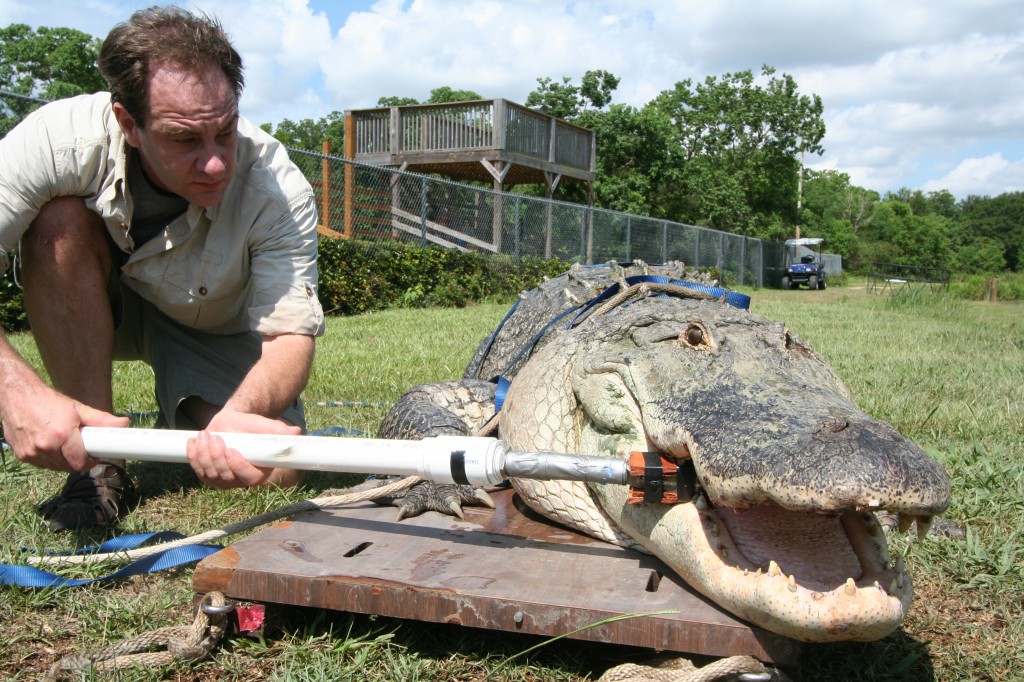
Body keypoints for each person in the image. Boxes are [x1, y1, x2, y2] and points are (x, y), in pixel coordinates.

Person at [0, 6, 325, 531]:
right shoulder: (57, 141)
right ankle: (100, 465)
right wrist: (14, 389)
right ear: (128, 123)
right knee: (59, 220)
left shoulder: (277, 190)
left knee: (267, 470)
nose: (216, 162)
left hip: (212, 327)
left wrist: (239, 413)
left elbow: (291, 334)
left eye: (225, 131)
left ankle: (203, 407)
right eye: (184, 140)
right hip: (95, 298)